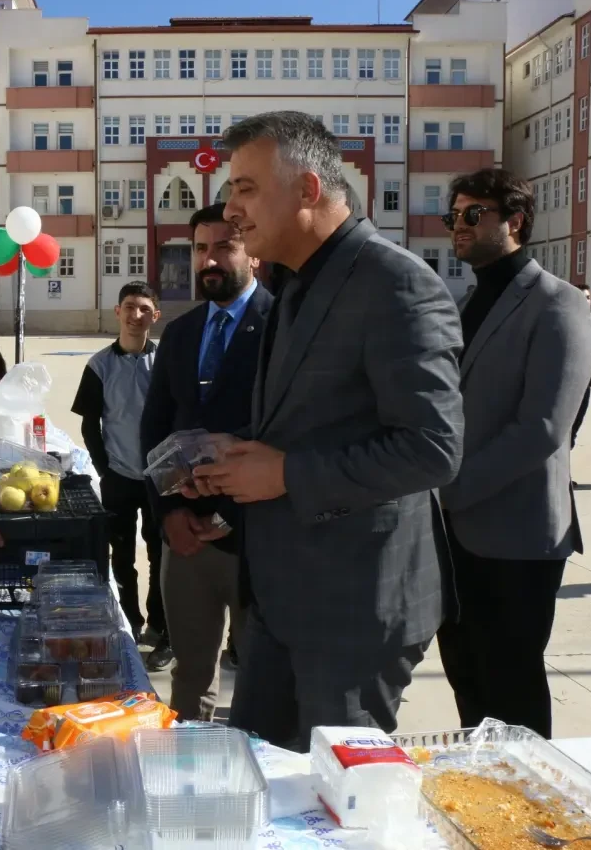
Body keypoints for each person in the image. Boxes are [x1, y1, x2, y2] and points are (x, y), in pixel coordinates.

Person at [192, 111, 464, 751]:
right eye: (231, 189)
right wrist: (237, 456)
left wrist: (282, 472)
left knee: (339, 805)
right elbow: (310, 417)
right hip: (280, 599)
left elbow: (433, 448)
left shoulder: (395, 284)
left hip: (352, 611)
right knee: (258, 774)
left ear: (308, 190)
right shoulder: (294, 284)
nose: (231, 209)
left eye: (247, 188)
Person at [435, 168, 591, 740]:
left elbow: (544, 428)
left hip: (518, 535)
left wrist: (448, 491)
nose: (459, 224)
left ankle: (530, 816)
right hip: (453, 535)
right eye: (454, 214)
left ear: (515, 221)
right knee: (466, 679)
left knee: (512, 689)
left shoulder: (557, 304)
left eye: (473, 213)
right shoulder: (466, 301)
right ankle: (483, 800)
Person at [139, 204, 275, 716]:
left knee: (264, 676)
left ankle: (254, 776)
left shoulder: (281, 325)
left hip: (255, 537)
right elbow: (154, 430)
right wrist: (168, 513)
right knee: (191, 674)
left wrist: (227, 516)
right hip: (186, 540)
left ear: (253, 255)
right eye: (200, 248)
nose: (209, 259)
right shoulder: (180, 332)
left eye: (225, 246)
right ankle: (189, 777)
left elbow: (282, 431)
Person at [71, 282, 164, 660]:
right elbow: (89, 423)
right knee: (121, 555)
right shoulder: (99, 366)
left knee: (162, 556)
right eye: (129, 307)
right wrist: (103, 467)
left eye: (144, 309)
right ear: (117, 312)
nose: (135, 315)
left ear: (154, 316)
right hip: (119, 478)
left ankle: (162, 628)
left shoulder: (164, 364)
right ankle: (131, 618)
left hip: (161, 479)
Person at [570, 286, 591, 457]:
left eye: (588, 297)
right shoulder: (561, 319)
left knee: (574, 429)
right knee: (561, 432)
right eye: (581, 296)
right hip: (564, 385)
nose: (586, 300)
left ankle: (565, 475)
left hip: (585, 384)